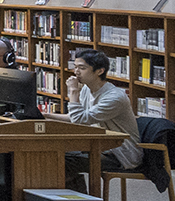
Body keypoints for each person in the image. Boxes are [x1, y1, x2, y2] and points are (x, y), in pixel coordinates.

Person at [47, 48, 142, 182]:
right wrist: (46, 116)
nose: (76, 72)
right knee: (54, 153)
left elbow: (79, 120)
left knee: (61, 158)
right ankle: (73, 197)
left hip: (119, 154)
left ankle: (78, 200)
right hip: (99, 146)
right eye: (75, 67)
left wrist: (73, 92)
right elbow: (75, 117)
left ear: (100, 71)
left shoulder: (114, 98)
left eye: (82, 68)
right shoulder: (87, 88)